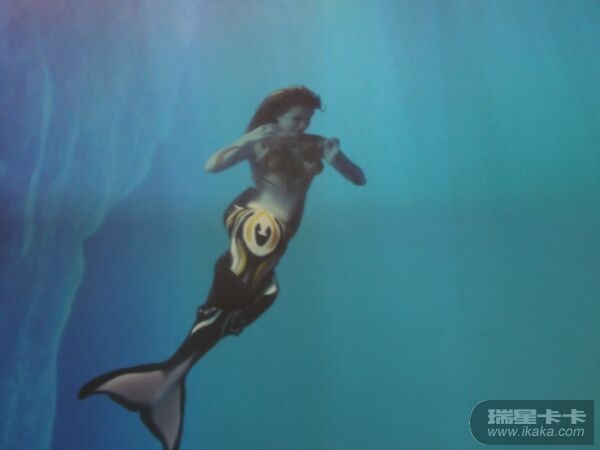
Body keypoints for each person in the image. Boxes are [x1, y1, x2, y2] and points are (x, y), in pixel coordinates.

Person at [79, 86, 366, 450]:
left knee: (262, 296)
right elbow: (212, 165)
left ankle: (168, 377)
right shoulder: (259, 139)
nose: (303, 125)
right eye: (297, 118)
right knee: (258, 252)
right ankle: (168, 375)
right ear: (277, 115)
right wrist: (246, 140)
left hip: (278, 236)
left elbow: (358, 177)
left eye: (307, 119)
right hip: (256, 220)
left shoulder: (317, 144)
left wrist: (338, 160)